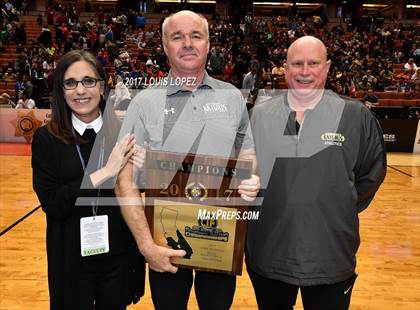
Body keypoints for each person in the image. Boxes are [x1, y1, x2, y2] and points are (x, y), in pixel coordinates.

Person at [116, 10, 260, 310]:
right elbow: (123, 180)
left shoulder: (233, 97)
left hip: (220, 239)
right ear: (165, 46)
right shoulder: (144, 102)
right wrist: (146, 246)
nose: (188, 44)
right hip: (163, 244)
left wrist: (251, 178)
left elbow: (247, 153)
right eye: (177, 37)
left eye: (196, 36)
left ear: (208, 43)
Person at [246, 36, 386, 310]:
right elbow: (245, 172)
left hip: (330, 255)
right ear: (285, 68)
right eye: (297, 63)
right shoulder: (260, 115)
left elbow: (371, 173)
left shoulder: (355, 115)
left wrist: (335, 202)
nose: (305, 71)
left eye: (313, 63)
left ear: (328, 67)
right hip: (269, 253)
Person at [32, 50, 145, 310]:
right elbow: (54, 204)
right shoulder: (46, 139)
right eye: (70, 83)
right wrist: (105, 172)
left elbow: (135, 198)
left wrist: (141, 171)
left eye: (88, 81)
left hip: (117, 256)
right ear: (61, 90)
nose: (80, 90)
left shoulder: (124, 134)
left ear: (102, 87)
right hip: (72, 258)